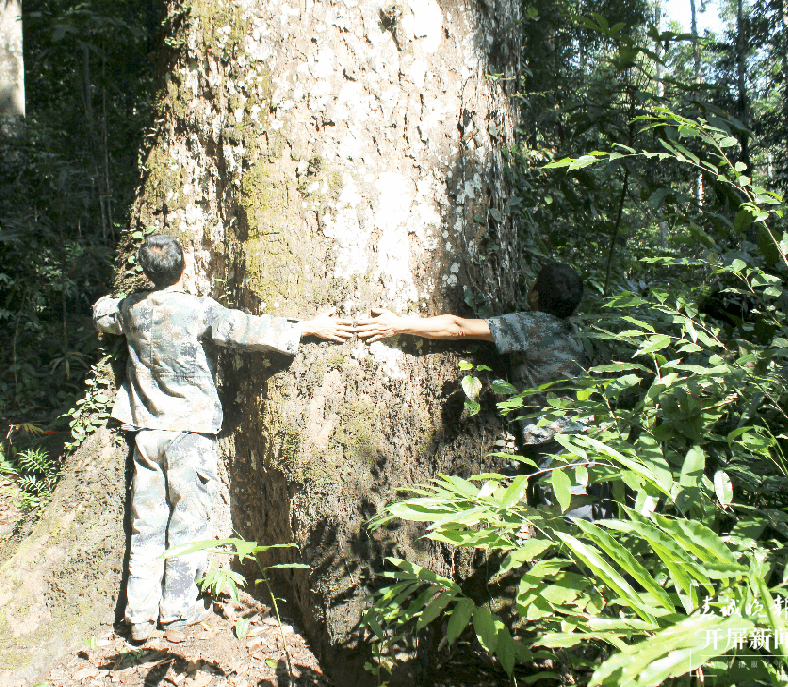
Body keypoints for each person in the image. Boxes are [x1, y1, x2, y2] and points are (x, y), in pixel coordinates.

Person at [93, 234, 353, 640]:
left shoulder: (130, 309)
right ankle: (177, 613)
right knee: (187, 522)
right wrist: (308, 328)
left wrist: (113, 300)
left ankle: (139, 613)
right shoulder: (198, 311)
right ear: (184, 267)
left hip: (145, 431)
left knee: (145, 524)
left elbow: (102, 315)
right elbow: (248, 329)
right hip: (189, 436)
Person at [355, 262, 610, 520]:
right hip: (589, 441)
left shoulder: (532, 326)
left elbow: (458, 327)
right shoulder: (574, 335)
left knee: (572, 528)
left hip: (561, 444)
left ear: (536, 294)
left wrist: (398, 325)